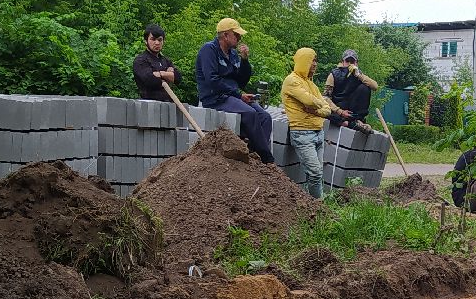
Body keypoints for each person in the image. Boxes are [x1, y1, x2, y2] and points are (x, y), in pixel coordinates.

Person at [194, 17, 273, 163]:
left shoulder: (233, 54)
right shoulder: (209, 50)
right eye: (236, 34)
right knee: (250, 113)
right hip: (216, 98)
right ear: (225, 35)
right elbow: (212, 80)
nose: (239, 38)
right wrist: (238, 95)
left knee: (265, 117)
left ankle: (254, 156)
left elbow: (241, 81)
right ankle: (266, 159)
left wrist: (245, 60)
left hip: (233, 96)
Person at [280, 47, 351, 199]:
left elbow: (327, 110)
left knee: (316, 173)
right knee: (315, 173)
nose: (315, 64)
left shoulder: (311, 85)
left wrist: (315, 110)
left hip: (318, 133)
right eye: (312, 60)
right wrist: (318, 104)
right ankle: (319, 205)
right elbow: (308, 100)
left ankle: (309, 204)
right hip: (302, 133)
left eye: (316, 61)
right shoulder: (292, 80)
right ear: (304, 61)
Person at [324, 49, 378, 134]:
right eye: (347, 61)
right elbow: (326, 97)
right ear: (342, 62)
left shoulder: (359, 75)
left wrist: (359, 75)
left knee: (365, 87)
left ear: (356, 63)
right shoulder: (333, 74)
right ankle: (349, 123)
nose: (349, 64)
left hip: (352, 109)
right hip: (338, 109)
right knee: (325, 111)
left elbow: (375, 86)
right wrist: (340, 111)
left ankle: (358, 120)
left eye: (352, 61)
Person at [131, 22, 179, 101]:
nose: (157, 43)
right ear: (146, 41)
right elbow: (150, 80)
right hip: (148, 104)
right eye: (153, 39)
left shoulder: (166, 60)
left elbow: (177, 77)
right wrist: (168, 75)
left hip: (168, 104)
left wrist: (161, 74)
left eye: (160, 40)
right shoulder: (140, 60)